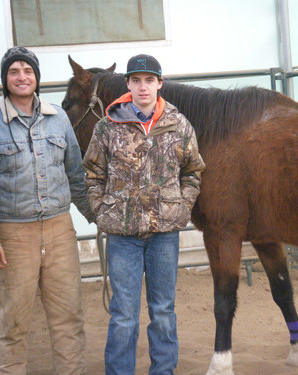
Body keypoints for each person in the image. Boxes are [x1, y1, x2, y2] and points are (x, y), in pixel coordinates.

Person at [82, 53, 205, 375]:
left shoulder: (178, 124)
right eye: (136, 80)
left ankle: (162, 371)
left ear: (159, 83)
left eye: (149, 80)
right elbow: (92, 173)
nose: (143, 86)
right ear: (128, 84)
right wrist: (102, 211)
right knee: (124, 313)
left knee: (163, 310)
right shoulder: (107, 127)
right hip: (123, 238)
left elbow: (193, 171)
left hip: (164, 235)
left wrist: (181, 207)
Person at [0, 46, 94, 374]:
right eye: (14, 72)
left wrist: (100, 217)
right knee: (12, 323)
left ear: (37, 78)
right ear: (5, 79)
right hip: (13, 236)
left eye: (28, 71)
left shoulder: (59, 120)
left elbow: (77, 177)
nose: (21, 77)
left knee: (69, 319)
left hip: (59, 232)